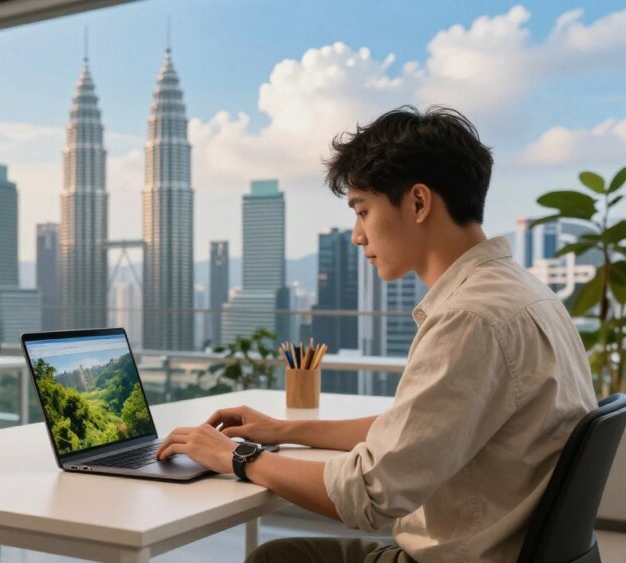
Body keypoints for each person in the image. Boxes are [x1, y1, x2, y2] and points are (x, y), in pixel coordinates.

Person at [156, 106, 597, 562]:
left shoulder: (470, 318)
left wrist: (239, 457)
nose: (357, 236)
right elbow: (414, 432)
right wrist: (284, 429)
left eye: (362, 211)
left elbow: (370, 495)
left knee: (277, 558)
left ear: (419, 203)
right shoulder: (527, 294)